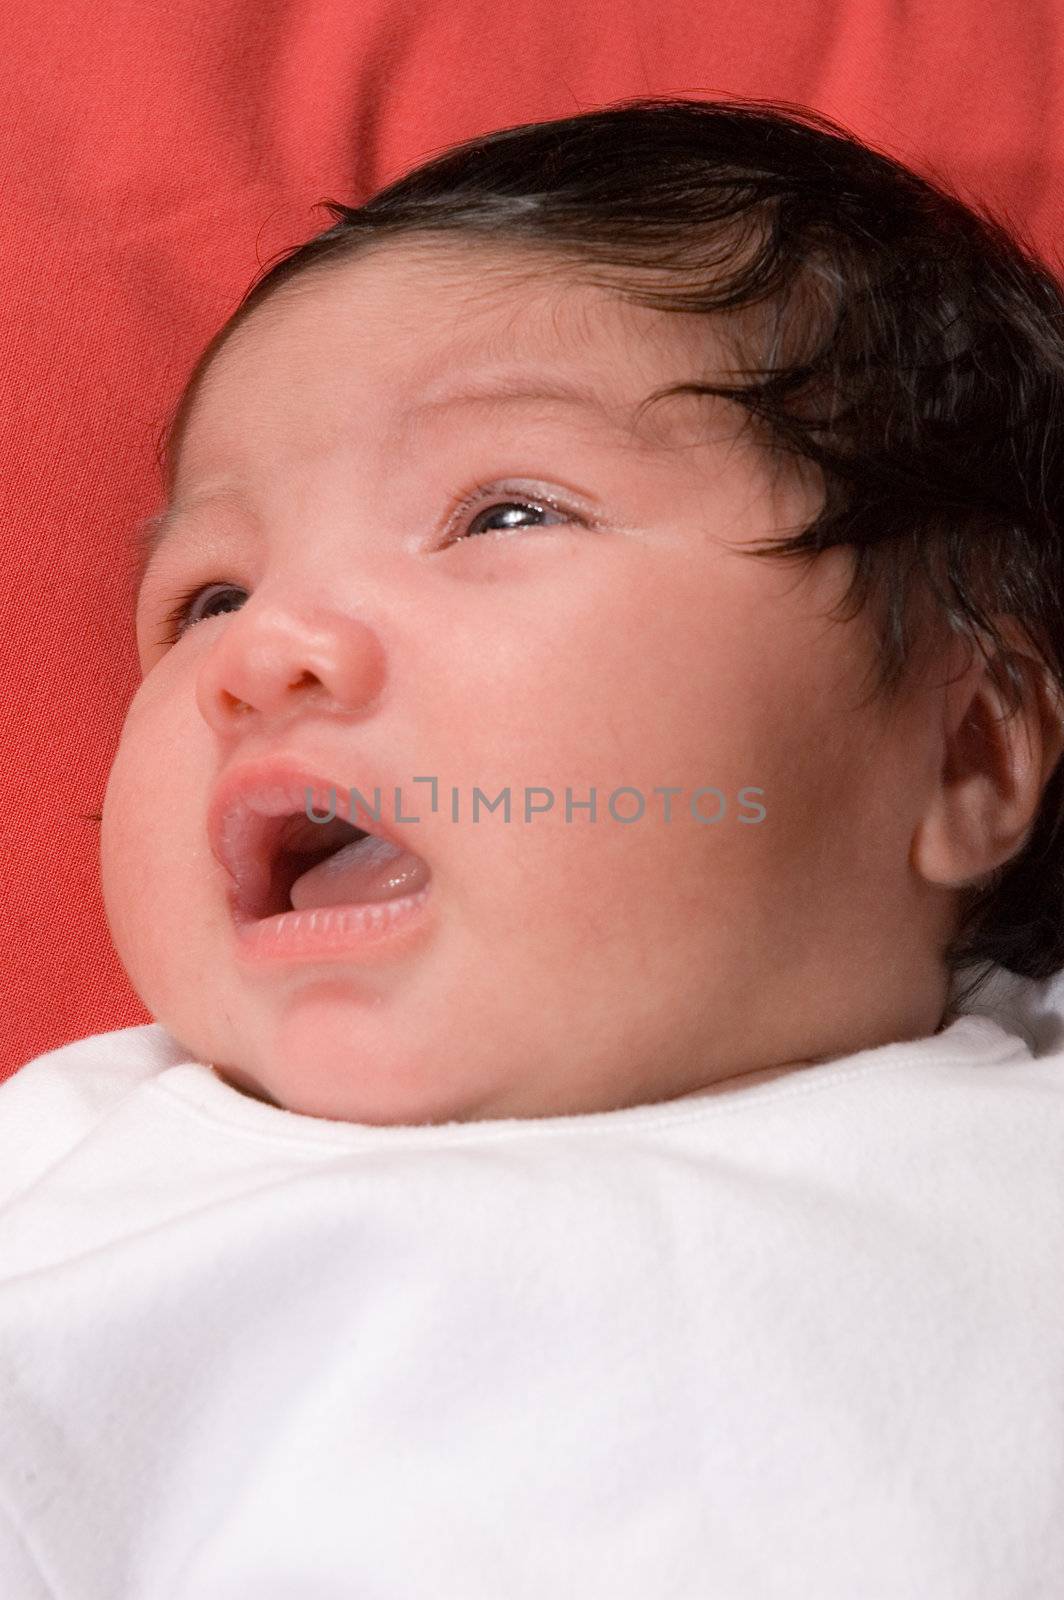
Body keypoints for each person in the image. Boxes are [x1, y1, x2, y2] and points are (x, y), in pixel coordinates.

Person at [2, 96, 1063, 1597]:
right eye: (209, 597)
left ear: (965, 746)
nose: (266, 654)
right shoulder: (73, 1193)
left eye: (501, 512)